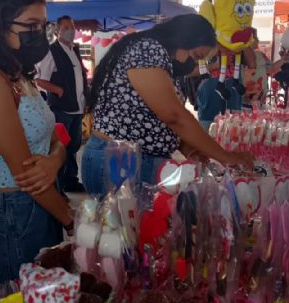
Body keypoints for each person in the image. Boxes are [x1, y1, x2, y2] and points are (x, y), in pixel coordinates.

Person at [0, 0, 73, 290]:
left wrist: (53, 162)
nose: (40, 34)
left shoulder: (19, 77)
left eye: (43, 25)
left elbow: (56, 138)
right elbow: (24, 174)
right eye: (31, 26)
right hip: (17, 209)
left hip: (44, 199)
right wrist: (70, 218)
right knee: (24, 301)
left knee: (50, 298)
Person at [82, 14, 254, 196]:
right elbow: (174, 116)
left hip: (134, 161)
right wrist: (226, 157)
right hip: (119, 162)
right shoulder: (147, 49)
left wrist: (188, 148)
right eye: (196, 56)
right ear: (184, 40)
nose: (193, 63)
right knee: (120, 223)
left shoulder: (163, 61)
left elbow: (155, 115)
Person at [35, 15, 88, 193]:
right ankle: (58, 185)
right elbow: (40, 80)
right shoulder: (52, 52)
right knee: (60, 147)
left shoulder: (74, 50)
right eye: (66, 27)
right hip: (61, 108)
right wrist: (58, 90)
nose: (70, 31)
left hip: (77, 107)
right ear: (57, 31)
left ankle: (70, 180)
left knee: (73, 146)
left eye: (72, 27)